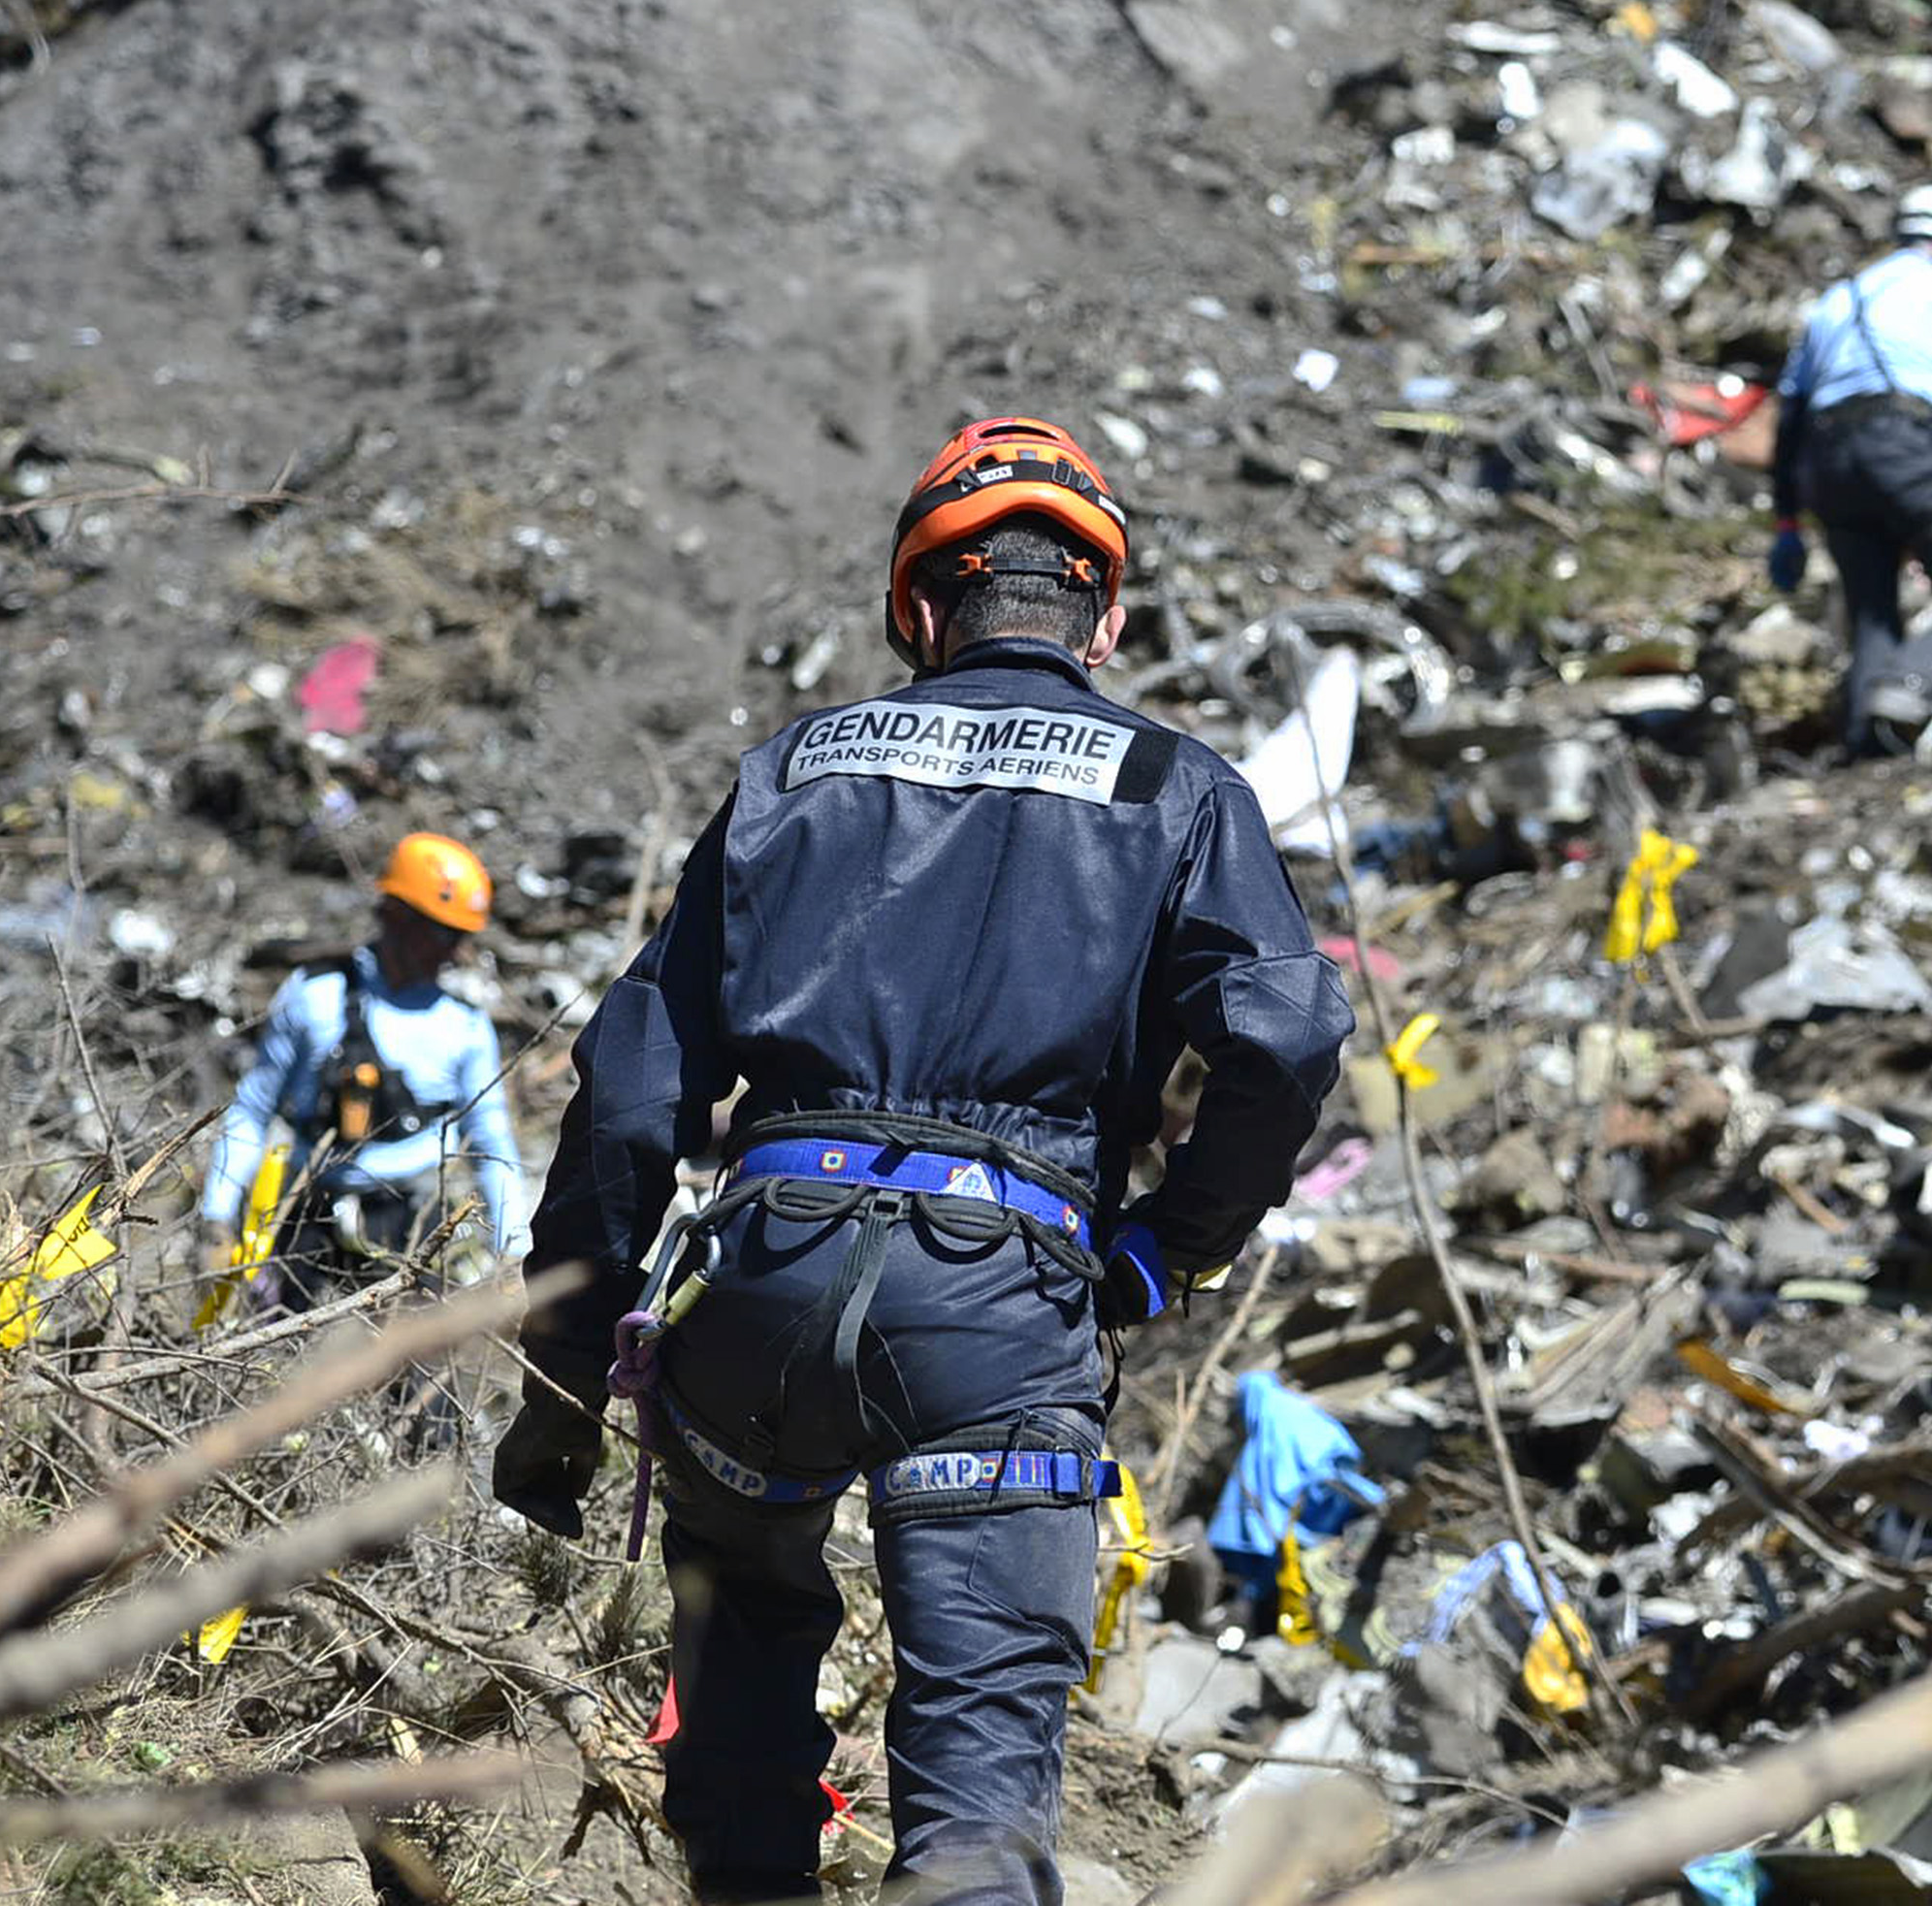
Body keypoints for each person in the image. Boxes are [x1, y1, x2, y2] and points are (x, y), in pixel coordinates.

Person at [492, 416, 1353, 1906]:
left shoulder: (792, 772)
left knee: (741, 1756)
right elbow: (1283, 1043)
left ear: (919, 607)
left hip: (757, 1285)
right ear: (1107, 614)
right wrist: (1168, 1245)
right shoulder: (1177, 787)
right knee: (971, 1806)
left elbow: (632, 1093)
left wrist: (562, 1394)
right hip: (998, 1310)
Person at [197, 831, 521, 1307]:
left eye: (462, 937)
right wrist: (216, 1218)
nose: (454, 952)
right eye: (443, 933)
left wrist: (514, 1253)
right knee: (285, 1361)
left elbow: (492, 1142)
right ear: (396, 914)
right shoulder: (315, 996)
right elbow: (253, 1108)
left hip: (412, 1225)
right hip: (308, 1217)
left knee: (412, 1374)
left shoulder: (465, 1027)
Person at [1766, 184, 1932, 757]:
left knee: (1872, 613)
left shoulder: (1834, 300)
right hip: (1897, 445)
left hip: (1826, 464)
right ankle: (1908, 685)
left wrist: (1786, 523)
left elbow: (1786, 427)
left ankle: (1866, 744)